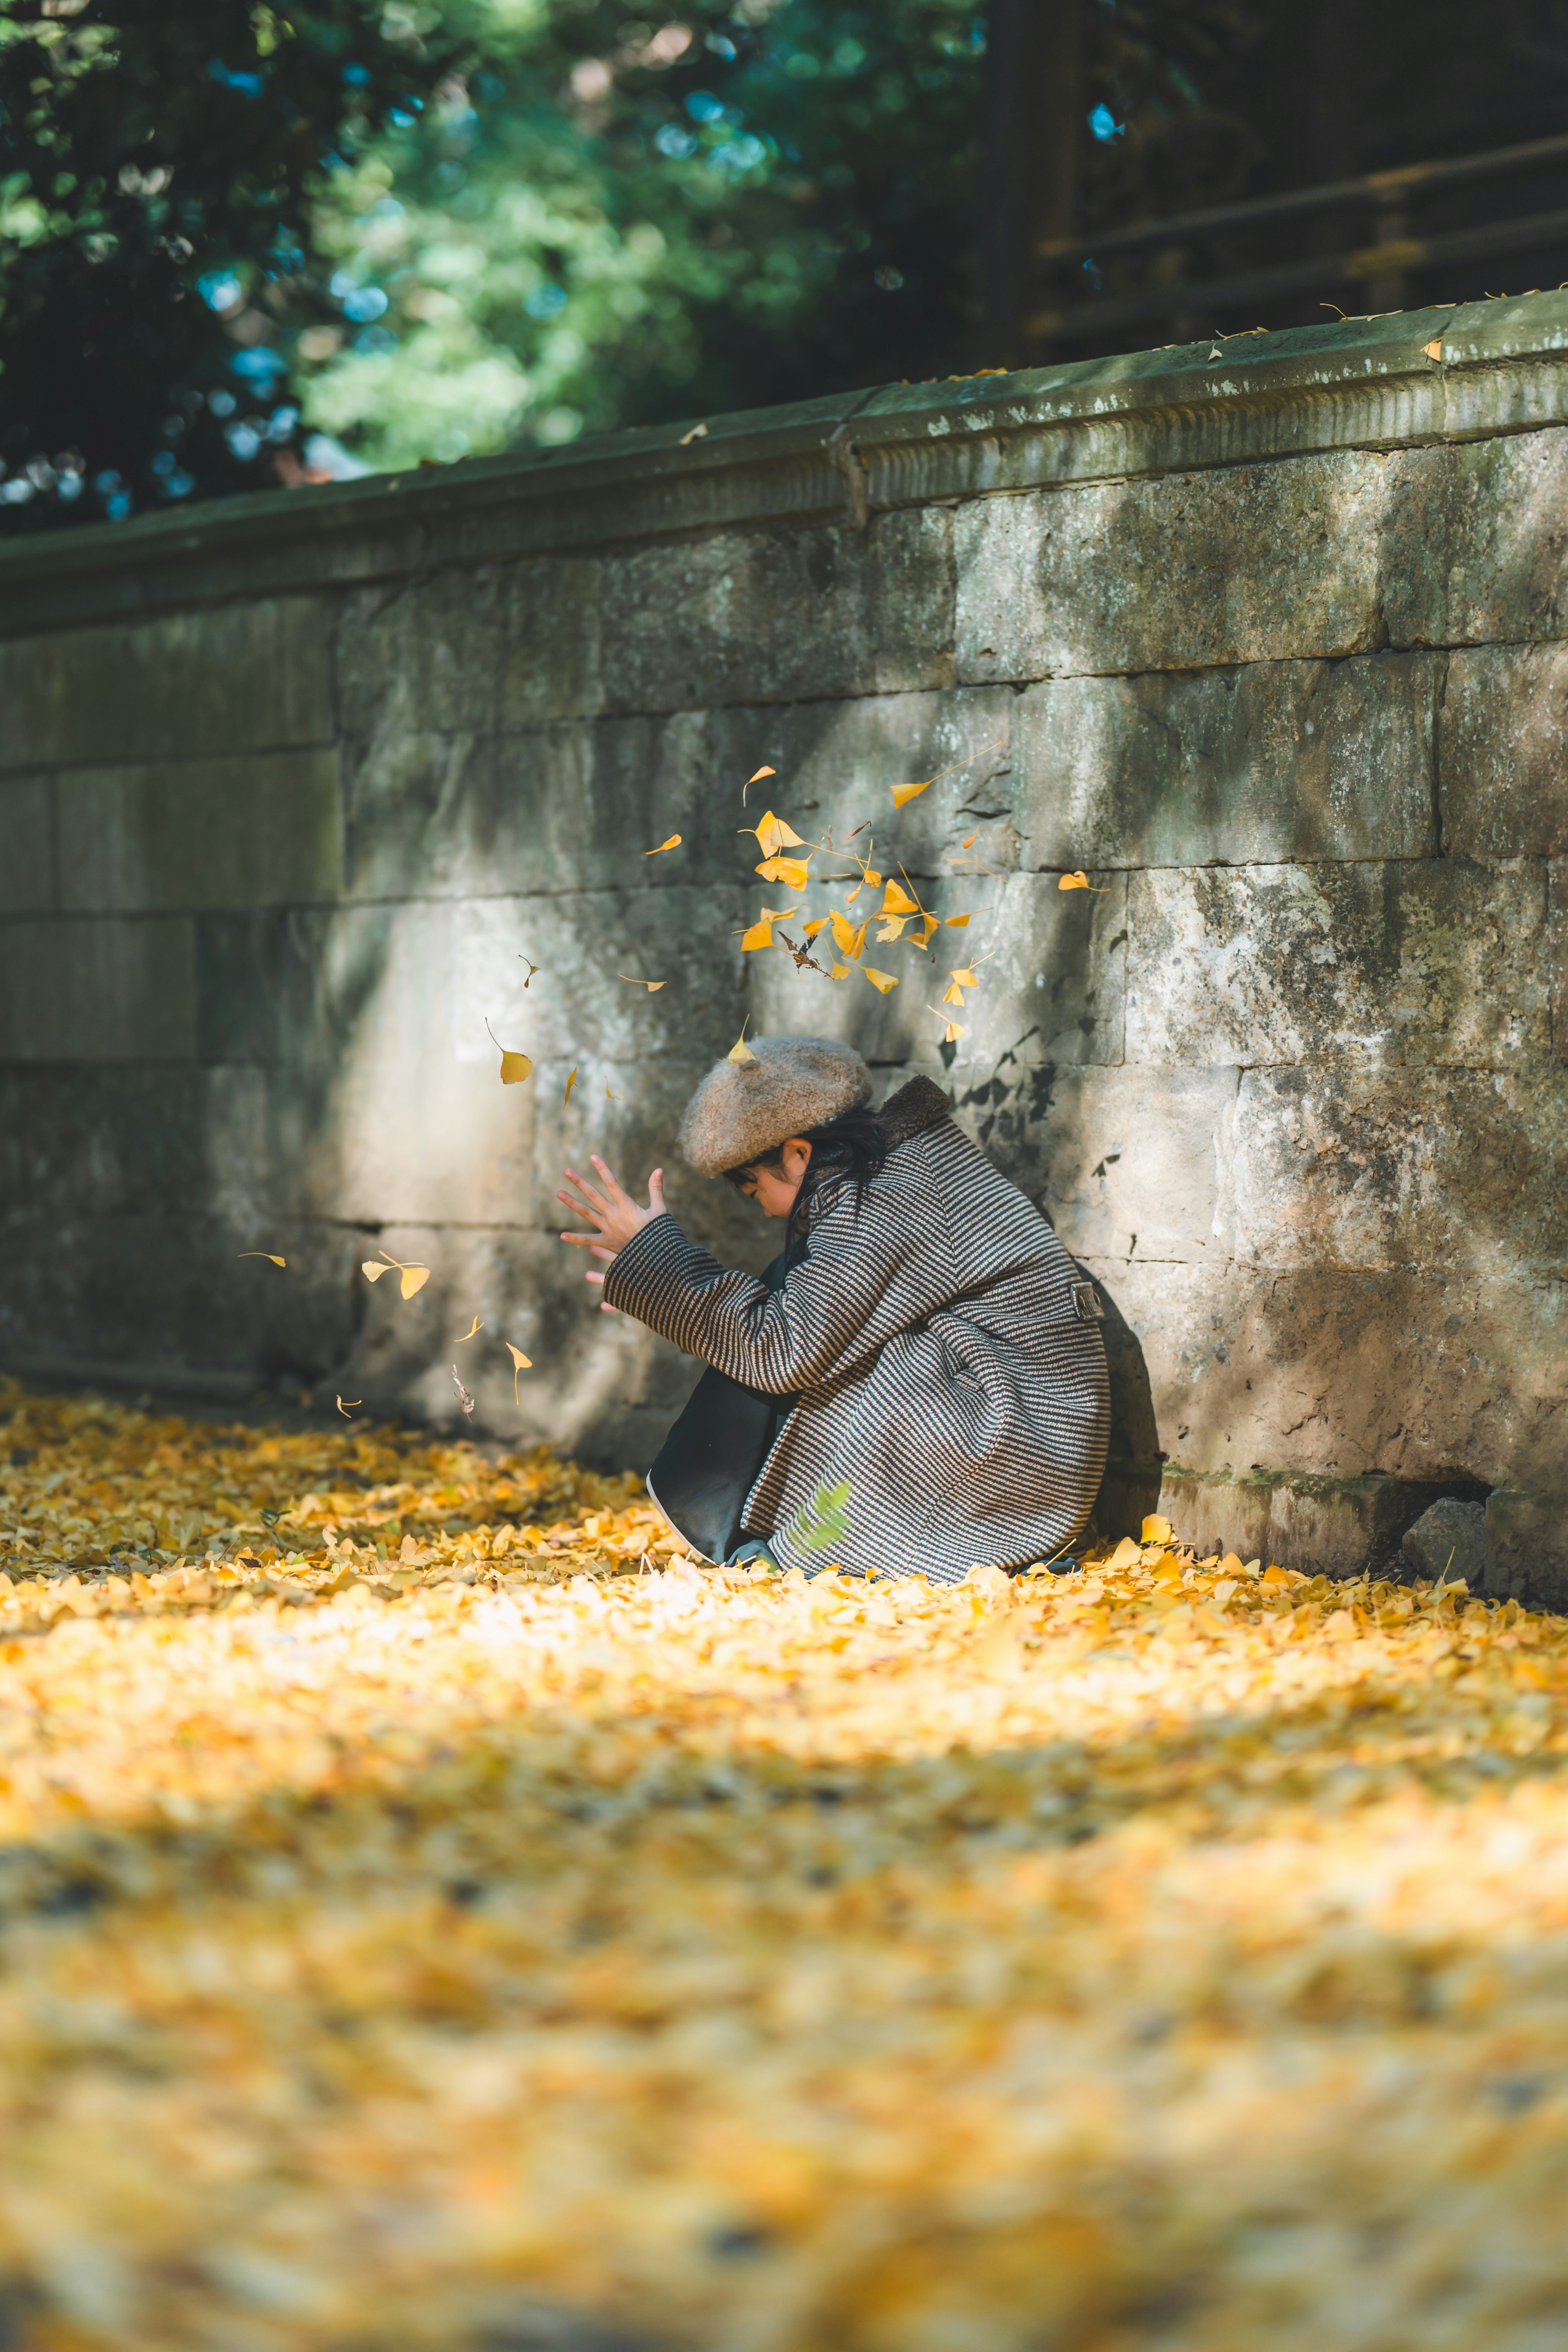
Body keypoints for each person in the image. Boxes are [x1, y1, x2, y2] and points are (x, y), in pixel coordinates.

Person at [557, 1036, 1109, 1582]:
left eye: (754, 1192)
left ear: (798, 1153)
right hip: (1022, 1423)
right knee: (792, 1288)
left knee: (809, 1329)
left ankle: (811, 1540)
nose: (768, 1213)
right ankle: (763, 1527)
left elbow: (780, 1349)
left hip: (1018, 1442)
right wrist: (656, 1275)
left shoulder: (892, 1195)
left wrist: (661, 1265)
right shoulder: (895, 1172)